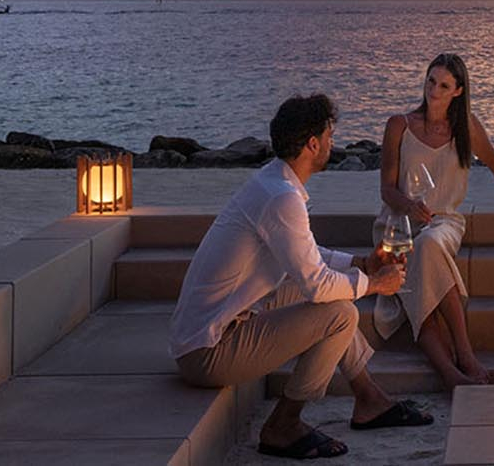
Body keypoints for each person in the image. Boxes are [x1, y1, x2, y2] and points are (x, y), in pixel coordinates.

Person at [170, 93, 432, 460]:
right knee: (340, 313)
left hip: (213, 327)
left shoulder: (273, 183)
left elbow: (307, 256)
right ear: (312, 144)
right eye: (329, 136)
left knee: (330, 294)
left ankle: (369, 399)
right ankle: (284, 424)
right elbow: (317, 284)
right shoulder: (282, 198)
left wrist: (360, 263)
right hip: (209, 350)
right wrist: (374, 284)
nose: (332, 143)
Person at [376, 52, 494, 388]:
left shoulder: (466, 128)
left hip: (444, 223)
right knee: (419, 277)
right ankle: (453, 370)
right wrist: (408, 206)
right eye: (431, 81)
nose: (434, 90)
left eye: (444, 85)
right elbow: (387, 190)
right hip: (399, 226)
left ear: (458, 91)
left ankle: (463, 356)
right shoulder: (399, 125)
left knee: (429, 245)